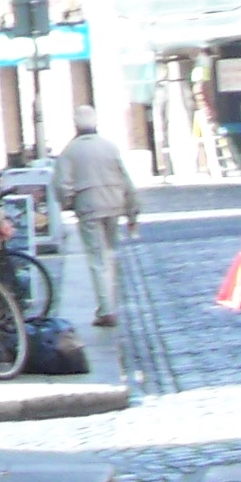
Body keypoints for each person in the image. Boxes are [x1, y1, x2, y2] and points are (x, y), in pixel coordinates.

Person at [52, 114, 137, 326]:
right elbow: (126, 180)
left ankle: (107, 310)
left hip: (88, 208)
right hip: (114, 205)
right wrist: (132, 212)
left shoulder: (70, 151)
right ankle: (109, 303)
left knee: (97, 259)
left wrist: (68, 203)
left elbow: (61, 184)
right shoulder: (109, 147)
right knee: (108, 255)